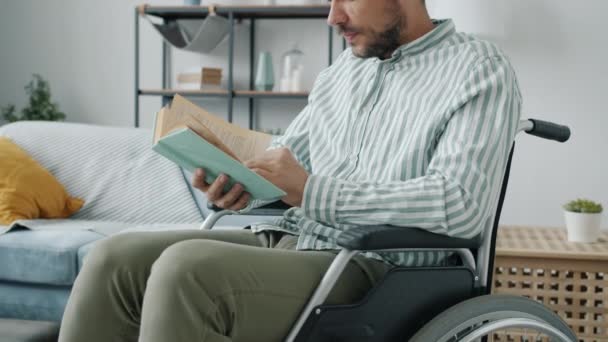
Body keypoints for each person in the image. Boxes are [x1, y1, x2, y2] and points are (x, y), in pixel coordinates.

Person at [59, 0, 521, 341]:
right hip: (295, 240)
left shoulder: (478, 69)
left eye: (347, 1)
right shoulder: (344, 71)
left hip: (381, 267)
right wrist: (241, 183)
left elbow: (459, 205)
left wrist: (314, 192)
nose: (333, 17)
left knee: (188, 269)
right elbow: (286, 160)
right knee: (113, 258)